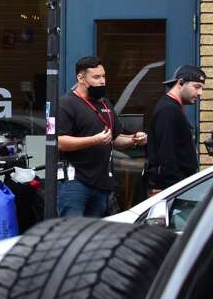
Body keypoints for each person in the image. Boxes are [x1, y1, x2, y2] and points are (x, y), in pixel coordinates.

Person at [57, 56, 147, 217]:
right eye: (96, 77)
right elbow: (60, 142)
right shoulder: (66, 103)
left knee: (95, 236)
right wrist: (95, 140)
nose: (102, 81)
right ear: (81, 78)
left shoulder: (105, 104)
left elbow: (115, 138)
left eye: (103, 76)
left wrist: (134, 139)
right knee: (71, 234)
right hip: (75, 182)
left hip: (102, 183)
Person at [145, 65, 204, 194]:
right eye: (197, 87)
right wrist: (174, 191)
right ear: (181, 83)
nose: (200, 93)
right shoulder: (168, 110)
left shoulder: (173, 107)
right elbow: (167, 153)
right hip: (169, 190)